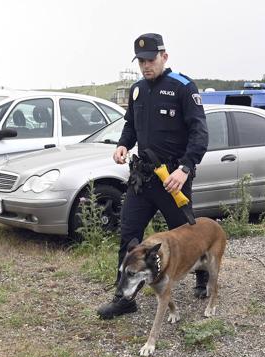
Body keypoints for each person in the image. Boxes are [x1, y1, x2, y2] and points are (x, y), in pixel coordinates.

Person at [97, 33, 208, 319]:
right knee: (128, 235)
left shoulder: (183, 87)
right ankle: (124, 298)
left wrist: (185, 169)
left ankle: (201, 274)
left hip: (173, 180)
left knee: (187, 235)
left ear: (164, 56)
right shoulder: (137, 90)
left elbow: (200, 134)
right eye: (141, 61)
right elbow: (130, 126)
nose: (146, 66)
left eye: (151, 60)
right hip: (142, 179)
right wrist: (123, 144)